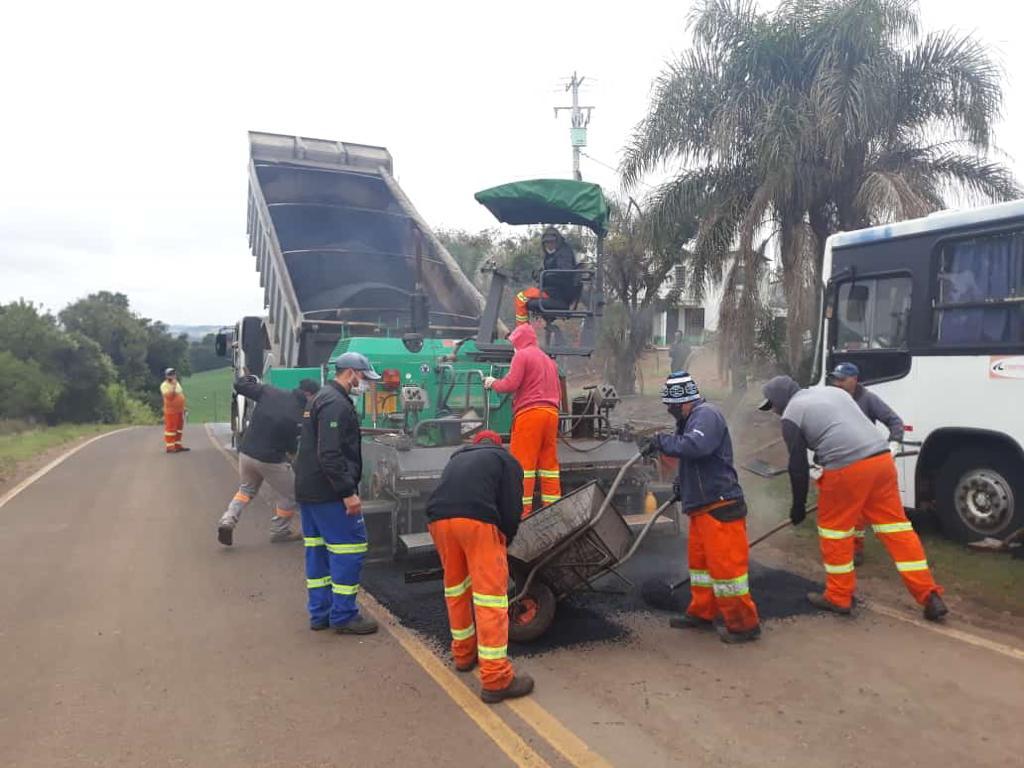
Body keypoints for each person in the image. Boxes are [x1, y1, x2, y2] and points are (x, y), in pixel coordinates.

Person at [759, 376, 947, 621]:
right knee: (897, 531)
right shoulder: (832, 393)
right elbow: (843, 427)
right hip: (880, 462)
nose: (773, 411)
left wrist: (798, 506)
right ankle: (929, 595)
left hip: (847, 470)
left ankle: (838, 596)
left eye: (772, 405)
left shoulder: (791, 414)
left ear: (781, 398)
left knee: (834, 532)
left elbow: (796, 466)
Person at [640, 371, 761, 644]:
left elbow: (697, 447)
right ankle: (703, 613)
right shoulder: (689, 420)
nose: (670, 411)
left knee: (727, 571)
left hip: (720, 505)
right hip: (702, 507)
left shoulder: (706, 414)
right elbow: (692, 463)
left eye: (671, 406)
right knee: (701, 567)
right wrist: (683, 485)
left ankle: (744, 625)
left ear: (683, 402)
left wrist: (661, 442)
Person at [425, 430, 533, 703]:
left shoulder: (455, 459)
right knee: (490, 600)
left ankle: (463, 656)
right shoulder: (505, 460)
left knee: (457, 591)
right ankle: (496, 680)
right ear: (498, 445)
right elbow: (511, 507)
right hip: (476, 523)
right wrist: (506, 536)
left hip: (439, 521)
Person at [293, 352, 380, 635]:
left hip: (310, 491)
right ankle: (343, 615)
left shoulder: (320, 397)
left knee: (317, 551)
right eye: (364, 377)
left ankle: (320, 613)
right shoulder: (337, 404)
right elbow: (329, 453)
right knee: (349, 550)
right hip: (330, 493)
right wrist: (348, 492)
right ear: (351, 372)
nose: (365, 383)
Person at [217, 375, 321, 547]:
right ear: (309, 394)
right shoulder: (299, 415)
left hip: (247, 453)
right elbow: (292, 447)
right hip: (270, 460)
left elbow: (240, 385)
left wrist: (250, 378)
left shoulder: (270, 391)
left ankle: (228, 520)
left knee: (246, 490)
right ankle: (280, 531)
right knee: (291, 494)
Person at [827, 362, 905, 564]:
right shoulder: (833, 399)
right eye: (836, 379)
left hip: (865, 461)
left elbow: (895, 421)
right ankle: (850, 548)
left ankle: (857, 549)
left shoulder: (868, 399)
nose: (838, 384)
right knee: (848, 510)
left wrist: (894, 444)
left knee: (859, 511)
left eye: (842, 380)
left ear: (855, 380)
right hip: (841, 461)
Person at [483, 324, 561, 516]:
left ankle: (521, 513)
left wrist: (493, 383)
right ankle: (553, 510)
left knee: (522, 465)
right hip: (551, 414)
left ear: (519, 340)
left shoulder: (522, 355)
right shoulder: (549, 360)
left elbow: (511, 384)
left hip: (530, 415)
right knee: (548, 465)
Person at [513, 227, 580, 325]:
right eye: (546, 243)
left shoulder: (564, 253)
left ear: (557, 241)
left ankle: (523, 332)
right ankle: (524, 331)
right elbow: (551, 273)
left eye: (552, 242)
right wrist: (539, 274)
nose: (549, 245)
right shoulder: (552, 255)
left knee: (520, 298)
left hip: (557, 294)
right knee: (523, 297)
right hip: (551, 291)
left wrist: (544, 275)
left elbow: (564, 273)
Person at [160, 368, 189, 453]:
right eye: (170, 374)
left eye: (173, 374)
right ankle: (170, 446)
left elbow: (180, 394)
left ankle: (177, 445)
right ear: (166, 376)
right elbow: (169, 397)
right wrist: (173, 385)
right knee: (171, 429)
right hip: (171, 411)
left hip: (179, 410)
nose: (172, 376)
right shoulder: (164, 385)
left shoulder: (177, 383)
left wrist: (183, 406)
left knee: (179, 428)